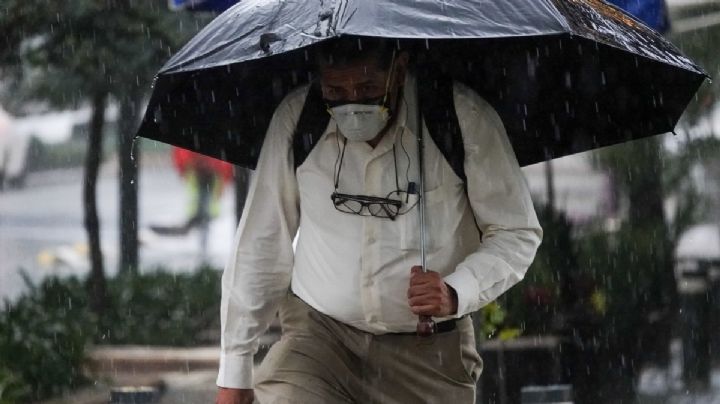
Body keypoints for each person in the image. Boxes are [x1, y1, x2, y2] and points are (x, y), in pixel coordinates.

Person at [216, 39, 542, 404]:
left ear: (399, 70)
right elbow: (262, 243)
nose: (352, 105)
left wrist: (455, 291)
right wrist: (235, 369)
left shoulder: (460, 116)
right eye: (336, 91)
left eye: (368, 88)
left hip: (429, 355)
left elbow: (516, 232)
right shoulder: (299, 117)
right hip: (318, 340)